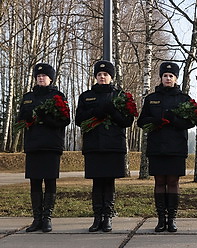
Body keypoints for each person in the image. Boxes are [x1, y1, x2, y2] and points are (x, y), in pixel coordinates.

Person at [75, 60, 135, 232]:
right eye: (99, 74)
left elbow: (127, 121)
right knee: (96, 182)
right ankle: (97, 218)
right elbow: (79, 119)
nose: (102, 77)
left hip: (113, 145)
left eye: (106, 74)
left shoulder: (120, 96)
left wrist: (113, 112)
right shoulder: (86, 96)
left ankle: (108, 217)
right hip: (94, 145)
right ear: (95, 76)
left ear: (111, 77)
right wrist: (95, 112)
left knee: (109, 182)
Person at [137, 62, 195, 232]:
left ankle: (172, 219)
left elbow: (192, 121)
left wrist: (175, 121)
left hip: (176, 146)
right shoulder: (151, 99)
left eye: (171, 76)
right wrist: (153, 121)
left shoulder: (184, 99)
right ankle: (161, 219)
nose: (168, 78)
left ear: (176, 78)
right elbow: (141, 121)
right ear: (160, 78)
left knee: (173, 181)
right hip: (157, 146)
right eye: (165, 76)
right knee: (160, 181)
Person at [17, 63, 70, 232]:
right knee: (34, 181)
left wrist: (46, 118)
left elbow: (65, 120)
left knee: (49, 180)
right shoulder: (28, 97)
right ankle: (37, 219)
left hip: (50, 145)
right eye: (38, 76)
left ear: (51, 78)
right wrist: (25, 118)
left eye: (44, 76)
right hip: (33, 145)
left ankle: (47, 218)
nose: (41, 78)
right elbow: (20, 120)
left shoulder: (58, 96)